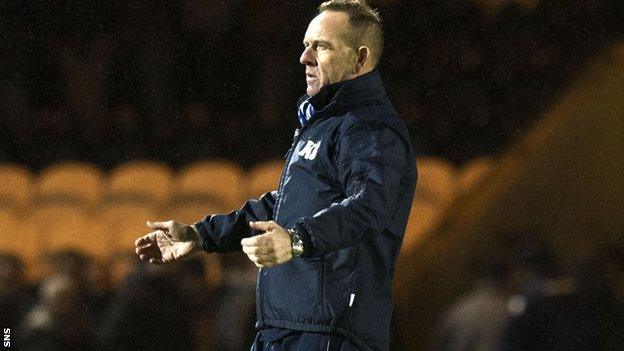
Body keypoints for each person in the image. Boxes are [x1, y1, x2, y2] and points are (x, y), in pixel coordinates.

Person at [134, 1, 417, 350]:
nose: (305, 58)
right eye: (306, 44)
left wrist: (297, 240)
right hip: (285, 326)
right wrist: (200, 235)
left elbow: (369, 206)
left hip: (330, 331)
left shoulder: (370, 128)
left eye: (322, 46)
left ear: (360, 59)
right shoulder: (324, 124)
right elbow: (283, 206)